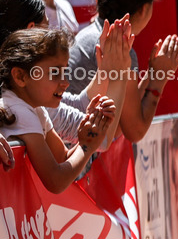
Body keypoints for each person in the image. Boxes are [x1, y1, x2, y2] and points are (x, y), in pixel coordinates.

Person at [68, 0, 178, 143]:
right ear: (144, 9)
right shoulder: (118, 46)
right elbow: (134, 130)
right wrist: (159, 79)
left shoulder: (95, 36)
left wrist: (153, 73)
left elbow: (122, 117)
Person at [0, 29, 114, 193]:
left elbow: (62, 158)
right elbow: (55, 180)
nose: (65, 82)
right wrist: (87, 146)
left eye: (65, 71)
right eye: (55, 72)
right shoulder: (19, 111)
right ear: (20, 76)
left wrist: (90, 131)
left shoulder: (36, 109)